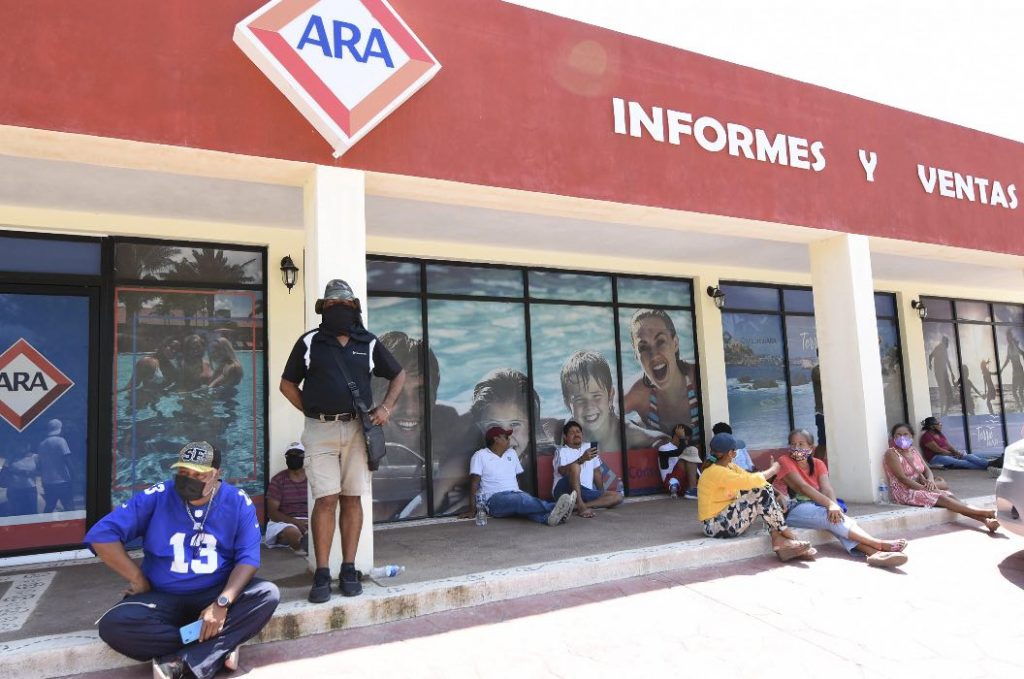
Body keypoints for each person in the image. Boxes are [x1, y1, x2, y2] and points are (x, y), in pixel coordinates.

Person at [87, 441, 280, 679]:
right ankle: (217, 646)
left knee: (266, 594)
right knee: (114, 625)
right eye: (183, 472)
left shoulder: (237, 501)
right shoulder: (158, 496)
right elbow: (102, 535)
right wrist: (137, 578)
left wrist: (222, 603)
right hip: (163, 597)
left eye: (198, 474)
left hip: (214, 592)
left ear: (217, 474)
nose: (188, 479)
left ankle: (184, 661)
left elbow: (248, 559)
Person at [279, 279, 406, 603]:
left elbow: (398, 374)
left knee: (352, 498)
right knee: (325, 499)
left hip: (356, 431)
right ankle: (322, 572)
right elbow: (287, 384)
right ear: (324, 309)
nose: (339, 311)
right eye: (333, 306)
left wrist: (386, 407)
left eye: (345, 306)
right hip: (319, 432)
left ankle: (348, 568)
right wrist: (312, 409)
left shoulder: (369, 342)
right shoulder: (310, 342)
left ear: (354, 309)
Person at [779, 429, 909, 568]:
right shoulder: (784, 460)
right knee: (829, 517)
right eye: (793, 445)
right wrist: (830, 505)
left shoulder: (818, 463)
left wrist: (834, 507)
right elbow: (803, 487)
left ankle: (875, 554)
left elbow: (827, 488)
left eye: (801, 444)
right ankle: (878, 543)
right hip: (793, 509)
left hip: (817, 505)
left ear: (811, 448)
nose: (796, 448)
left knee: (836, 519)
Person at [697, 433, 813, 561]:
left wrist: (777, 494)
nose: (737, 452)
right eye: (736, 450)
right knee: (759, 492)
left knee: (763, 494)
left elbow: (754, 480)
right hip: (715, 526)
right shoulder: (715, 471)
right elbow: (751, 482)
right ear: (731, 453)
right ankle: (787, 533)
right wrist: (773, 470)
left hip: (728, 521)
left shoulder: (729, 466)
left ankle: (778, 540)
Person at [884, 422, 999, 532]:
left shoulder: (913, 451)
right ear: (894, 438)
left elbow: (927, 469)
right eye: (898, 435)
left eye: (905, 434)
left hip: (921, 485)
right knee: (942, 497)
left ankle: (986, 521)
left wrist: (930, 481)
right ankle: (983, 512)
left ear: (911, 436)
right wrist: (925, 489)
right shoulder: (891, 453)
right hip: (905, 492)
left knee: (949, 496)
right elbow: (902, 478)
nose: (902, 437)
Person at [461, 426, 576, 526]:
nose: (509, 439)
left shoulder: (511, 453)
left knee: (525, 505)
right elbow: (474, 483)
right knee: (521, 500)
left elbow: (517, 479)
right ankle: (557, 507)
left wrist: (520, 493)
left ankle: (548, 519)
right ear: (496, 439)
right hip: (493, 501)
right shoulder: (480, 455)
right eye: (505, 437)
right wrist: (472, 509)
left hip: (515, 494)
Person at [560, 350, 663, 452]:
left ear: (610, 396)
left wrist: (660, 446)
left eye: (596, 396)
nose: (589, 406)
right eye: (579, 399)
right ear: (567, 404)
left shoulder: (624, 434)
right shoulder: (566, 432)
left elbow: (661, 439)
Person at [622, 309, 701, 437]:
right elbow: (602, 419)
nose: (654, 355)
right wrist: (641, 433)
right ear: (636, 355)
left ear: (675, 343)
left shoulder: (699, 379)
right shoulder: (637, 393)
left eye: (660, 342)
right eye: (643, 347)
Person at [552, 420, 623, 518]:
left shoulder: (588, 447)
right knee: (575, 466)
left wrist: (601, 493)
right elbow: (562, 471)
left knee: (618, 497)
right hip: (564, 490)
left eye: (578, 432)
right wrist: (582, 459)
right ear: (565, 437)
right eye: (572, 432)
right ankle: (581, 507)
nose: (576, 434)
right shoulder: (561, 451)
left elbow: (597, 472)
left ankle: (575, 506)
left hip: (585, 492)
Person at [264, 442, 309, 554]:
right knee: (292, 532)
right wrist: (296, 522)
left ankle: (309, 544)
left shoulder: (312, 478)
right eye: (290, 456)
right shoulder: (278, 480)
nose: (293, 458)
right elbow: (272, 513)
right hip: (284, 522)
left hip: (309, 520)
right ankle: (303, 546)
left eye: (297, 455)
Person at [918, 416, 988, 469]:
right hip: (936, 458)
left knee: (969, 456)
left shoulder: (939, 434)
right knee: (963, 462)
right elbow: (938, 450)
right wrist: (953, 454)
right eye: (938, 423)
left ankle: (989, 464)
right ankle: (988, 466)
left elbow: (948, 446)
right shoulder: (926, 436)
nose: (941, 425)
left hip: (946, 455)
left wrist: (957, 453)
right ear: (932, 427)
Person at [37, 418, 74, 512]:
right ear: (60, 428)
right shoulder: (61, 441)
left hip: (48, 481)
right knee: (69, 505)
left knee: (49, 506)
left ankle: (44, 525)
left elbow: (40, 464)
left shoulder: (42, 444)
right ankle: (74, 525)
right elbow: (67, 459)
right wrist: (73, 475)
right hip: (63, 480)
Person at [657, 423, 701, 499]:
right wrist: (682, 438)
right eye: (685, 439)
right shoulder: (663, 448)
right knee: (690, 452)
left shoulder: (685, 449)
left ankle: (694, 489)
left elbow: (694, 469)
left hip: (686, 482)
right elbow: (679, 452)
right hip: (671, 482)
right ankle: (692, 490)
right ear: (677, 436)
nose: (686, 442)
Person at [3, 443, 39, 515]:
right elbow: (4, 472)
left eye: (25, 443)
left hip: (30, 489)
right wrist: (15, 472)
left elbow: (42, 471)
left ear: (29, 446)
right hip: (14, 490)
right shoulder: (10, 458)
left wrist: (31, 473)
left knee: (32, 513)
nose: (21, 446)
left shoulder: (36, 457)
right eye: (19, 443)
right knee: (16, 514)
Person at [928, 336, 957, 416]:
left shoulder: (941, 349)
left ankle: (944, 412)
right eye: (947, 342)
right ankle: (943, 412)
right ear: (945, 342)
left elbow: (946, 361)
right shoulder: (940, 348)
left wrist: (951, 373)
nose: (948, 344)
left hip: (942, 373)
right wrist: (930, 364)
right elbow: (931, 356)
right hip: (940, 373)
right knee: (945, 392)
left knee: (946, 392)